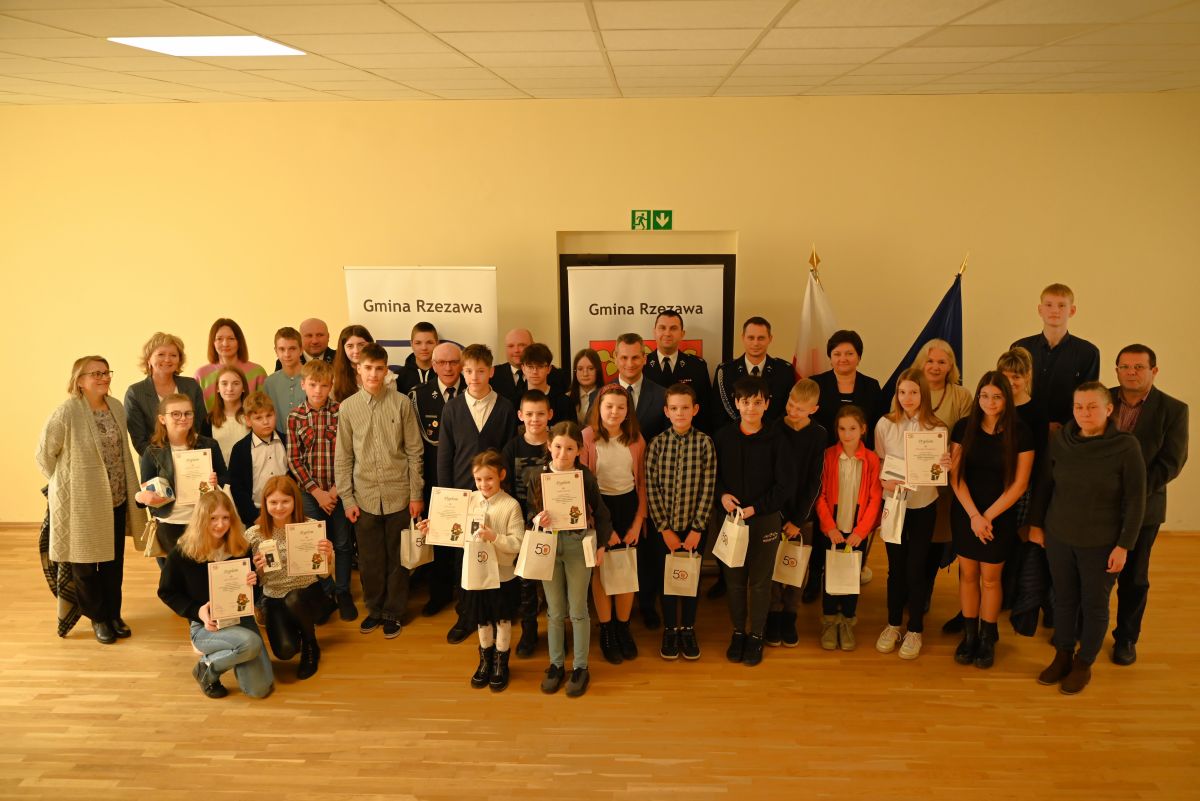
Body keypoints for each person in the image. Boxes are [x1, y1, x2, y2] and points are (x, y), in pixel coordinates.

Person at [1030, 382, 1146, 695]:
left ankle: (1084, 662)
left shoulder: (1126, 447)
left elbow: (1135, 500)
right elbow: (1044, 484)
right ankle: (1063, 654)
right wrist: (1036, 525)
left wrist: (1124, 545)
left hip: (1102, 542)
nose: (1084, 413)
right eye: (1079, 407)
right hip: (1060, 536)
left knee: (1094, 603)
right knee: (1064, 599)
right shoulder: (1061, 440)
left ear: (1109, 409)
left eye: (1092, 407)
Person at [37, 356, 141, 644]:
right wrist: (66, 483)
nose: (103, 377)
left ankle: (114, 613)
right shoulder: (67, 411)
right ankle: (98, 617)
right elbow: (44, 455)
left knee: (113, 562)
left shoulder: (116, 407)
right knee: (84, 564)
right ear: (79, 380)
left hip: (116, 497)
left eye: (106, 372)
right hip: (82, 502)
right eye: (96, 373)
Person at [334, 342, 424, 639]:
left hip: (400, 494)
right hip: (365, 496)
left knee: (398, 558)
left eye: (379, 368)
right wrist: (347, 499)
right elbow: (343, 457)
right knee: (370, 560)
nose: (373, 374)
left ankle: (393, 612)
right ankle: (374, 609)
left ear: (387, 371)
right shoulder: (348, 408)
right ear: (358, 369)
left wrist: (416, 494)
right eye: (368, 368)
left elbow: (414, 452)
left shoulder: (402, 403)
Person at [1108, 344, 1188, 666]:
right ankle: (1084, 629)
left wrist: (1132, 494)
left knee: (1134, 577)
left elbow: (1171, 463)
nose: (1131, 372)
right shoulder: (1100, 399)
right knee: (1092, 573)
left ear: (1154, 371)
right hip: (1098, 506)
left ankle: (1126, 638)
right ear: (1116, 370)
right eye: (1125, 367)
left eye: (1139, 367)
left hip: (1144, 508)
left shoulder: (1174, 410)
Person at [949, 372, 1035, 669]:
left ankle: (987, 637)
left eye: (997, 397)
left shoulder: (1021, 432)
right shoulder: (963, 427)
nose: (990, 402)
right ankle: (970, 635)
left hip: (999, 515)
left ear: (1006, 400)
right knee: (968, 575)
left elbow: (1020, 484)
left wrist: (987, 517)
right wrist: (974, 516)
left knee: (990, 578)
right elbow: (955, 477)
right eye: (984, 396)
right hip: (967, 512)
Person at [421, 450, 526, 691]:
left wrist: (494, 537)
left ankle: (501, 663)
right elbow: (453, 529)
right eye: (478, 479)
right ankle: (485, 661)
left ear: (501, 475)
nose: (483, 484)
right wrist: (432, 528)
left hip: (501, 576)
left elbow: (518, 542)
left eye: (489, 478)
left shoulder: (511, 505)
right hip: (476, 574)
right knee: (482, 618)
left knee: (502, 619)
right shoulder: (468, 500)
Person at [436, 343, 517, 644]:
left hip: (495, 496)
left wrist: (504, 490)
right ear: (462, 371)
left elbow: (508, 454)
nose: (474, 377)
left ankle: (496, 612)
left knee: (495, 554)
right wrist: (447, 498)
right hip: (463, 496)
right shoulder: (453, 408)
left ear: (491, 372)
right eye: (469, 371)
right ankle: (466, 615)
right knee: (464, 558)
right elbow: (445, 455)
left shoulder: (505, 407)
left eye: (480, 371)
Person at [157, 490, 273, 699]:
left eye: (225, 518)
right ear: (201, 519)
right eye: (213, 518)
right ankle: (209, 669)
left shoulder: (241, 548)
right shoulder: (182, 553)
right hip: (206, 626)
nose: (220, 524)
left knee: (259, 689)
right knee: (251, 644)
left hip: (241, 619)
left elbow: (251, 598)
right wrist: (197, 612)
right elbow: (167, 592)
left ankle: (213, 661)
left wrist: (255, 579)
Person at [527, 421, 614, 698]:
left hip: (577, 545)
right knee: (554, 610)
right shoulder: (537, 475)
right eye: (557, 447)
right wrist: (537, 519)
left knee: (578, 609)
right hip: (549, 547)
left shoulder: (584, 476)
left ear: (579, 450)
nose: (562, 454)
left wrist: (601, 545)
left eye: (569, 449)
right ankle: (555, 665)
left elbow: (601, 512)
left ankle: (580, 667)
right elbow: (529, 510)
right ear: (548, 446)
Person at [714, 376, 796, 667]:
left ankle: (757, 635)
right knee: (734, 580)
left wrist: (756, 508)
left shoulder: (779, 439)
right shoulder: (722, 436)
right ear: (736, 403)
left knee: (760, 582)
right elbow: (713, 476)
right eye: (745, 401)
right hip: (731, 520)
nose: (751, 407)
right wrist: (722, 496)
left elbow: (784, 486)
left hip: (764, 519)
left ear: (767, 404)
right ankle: (739, 631)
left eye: (757, 402)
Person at [873, 369, 950, 660]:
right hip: (893, 504)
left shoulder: (937, 428)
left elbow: (938, 472)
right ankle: (893, 624)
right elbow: (879, 462)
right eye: (902, 392)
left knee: (917, 568)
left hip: (923, 505)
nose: (907, 398)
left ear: (923, 394)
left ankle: (915, 629)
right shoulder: (885, 424)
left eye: (914, 392)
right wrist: (884, 481)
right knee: (896, 569)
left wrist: (945, 465)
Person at [804, 330, 884, 603]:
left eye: (849, 353)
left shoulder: (871, 386)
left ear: (859, 356)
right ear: (830, 357)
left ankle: (850, 575)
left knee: (856, 521)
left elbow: (877, 426)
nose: (843, 358)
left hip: (859, 465)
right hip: (824, 461)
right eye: (837, 353)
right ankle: (815, 578)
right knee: (822, 525)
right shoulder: (817, 384)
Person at [645, 383, 716, 660]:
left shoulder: (705, 443)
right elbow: (651, 488)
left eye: (685, 408)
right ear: (666, 411)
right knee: (667, 579)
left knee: (690, 579)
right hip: (665, 530)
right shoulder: (656, 444)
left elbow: (708, 488)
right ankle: (670, 628)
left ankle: (687, 627)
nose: (680, 413)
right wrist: (664, 529)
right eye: (674, 408)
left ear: (695, 409)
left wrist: (697, 528)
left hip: (694, 529)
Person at [581, 382, 647, 664]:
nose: (614, 412)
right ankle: (606, 629)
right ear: (599, 408)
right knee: (601, 572)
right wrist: (601, 529)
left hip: (627, 507)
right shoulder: (587, 437)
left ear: (628, 411)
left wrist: (637, 523)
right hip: (598, 508)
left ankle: (623, 627)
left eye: (621, 407)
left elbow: (642, 484)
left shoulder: (636, 439)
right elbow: (583, 485)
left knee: (625, 571)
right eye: (609, 406)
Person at [288, 359, 358, 622]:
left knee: (342, 543)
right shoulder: (295, 417)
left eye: (324, 385)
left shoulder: (342, 412)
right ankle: (326, 591)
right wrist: (317, 492)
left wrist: (336, 490)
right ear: (303, 384)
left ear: (331, 386)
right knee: (313, 545)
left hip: (339, 490)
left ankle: (342, 591)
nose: (318, 390)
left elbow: (351, 453)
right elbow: (294, 459)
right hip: (310, 493)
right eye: (313, 384)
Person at [246, 475, 334, 680]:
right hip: (273, 596)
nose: (279, 507)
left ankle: (310, 643)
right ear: (265, 503)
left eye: (285, 501)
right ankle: (297, 627)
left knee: (294, 599)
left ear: (295, 501)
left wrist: (329, 557)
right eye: (273, 502)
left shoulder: (311, 527)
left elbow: (324, 574)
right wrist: (257, 569)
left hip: (306, 593)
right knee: (285, 651)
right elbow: (251, 580)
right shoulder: (253, 534)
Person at [815, 405, 882, 652]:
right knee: (831, 575)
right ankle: (829, 621)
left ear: (863, 429)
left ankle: (847, 621)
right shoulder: (828, 456)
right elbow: (820, 495)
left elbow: (875, 499)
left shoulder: (872, 459)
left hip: (856, 532)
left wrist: (861, 531)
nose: (847, 434)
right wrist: (829, 527)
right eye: (842, 429)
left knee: (852, 577)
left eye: (852, 428)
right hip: (832, 529)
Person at [766, 379, 825, 648]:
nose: (793, 411)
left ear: (813, 409)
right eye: (791, 404)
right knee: (772, 566)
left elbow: (815, 481)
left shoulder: (818, 435)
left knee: (796, 567)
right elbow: (768, 475)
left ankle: (790, 615)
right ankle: (774, 613)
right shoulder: (774, 428)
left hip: (802, 515)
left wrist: (798, 520)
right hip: (774, 511)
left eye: (800, 409)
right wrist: (777, 514)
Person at [410, 341, 466, 621]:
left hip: (468, 478)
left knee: (468, 540)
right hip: (434, 480)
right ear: (433, 365)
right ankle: (440, 594)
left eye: (454, 362)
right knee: (441, 540)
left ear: (462, 364)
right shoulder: (418, 396)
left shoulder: (474, 391)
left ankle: (466, 594)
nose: (448, 367)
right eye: (442, 362)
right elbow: (414, 448)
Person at [135, 393, 227, 558]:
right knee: (174, 573)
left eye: (187, 413)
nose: (183, 418)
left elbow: (226, 477)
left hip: (204, 521)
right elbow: (144, 492)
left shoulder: (209, 445)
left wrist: (216, 481)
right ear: (162, 419)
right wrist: (143, 497)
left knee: (204, 570)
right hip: (170, 524)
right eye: (175, 414)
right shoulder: (152, 452)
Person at [501, 389, 552, 658]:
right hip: (524, 525)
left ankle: (556, 633)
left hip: (555, 525)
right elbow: (506, 488)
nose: (535, 419)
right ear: (520, 415)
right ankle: (529, 631)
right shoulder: (512, 448)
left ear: (550, 415)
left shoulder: (556, 444)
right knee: (527, 583)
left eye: (540, 414)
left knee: (555, 583)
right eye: (529, 414)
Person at [1011, 283, 1100, 430]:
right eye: (1049, 305)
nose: (1055, 310)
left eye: (1061, 305)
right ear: (1040, 310)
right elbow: (1011, 390)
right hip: (1023, 428)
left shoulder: (1088, 352)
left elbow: (1088, 397)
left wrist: (1065, 426)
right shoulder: (1020, 347)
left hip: (1067, 431)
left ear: (1072, 311)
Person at [123, 332, 209, 456]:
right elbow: (139, 440)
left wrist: (192, 457)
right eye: (161, 354)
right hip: (155, 462)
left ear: (179, 360)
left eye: (173, 355)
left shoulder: (191, 386)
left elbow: (202, 427)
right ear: (148, 359)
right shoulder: (135, 393)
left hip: (193, 459)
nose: (167, 359)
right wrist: (166, 461)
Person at [712, 316, 794, 430]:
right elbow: (717, 414)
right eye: (751, 338)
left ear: (770, 339)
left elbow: (788, 411)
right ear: (743, 338)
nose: (755, 343)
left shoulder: (784, 371)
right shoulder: (725, 371)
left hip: (774, 435)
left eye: (761, 338)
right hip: (734, 435)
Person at [643, 310, 713, 432]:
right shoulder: (642, 365)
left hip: (688, 438)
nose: (667, 333)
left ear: (682, 334)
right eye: (662, 328)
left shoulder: (697, 366)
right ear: (654, 332)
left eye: (673, 328)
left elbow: (706, 410)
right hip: (650, 437)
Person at [229, 392, 290, 529]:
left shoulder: (288, 442)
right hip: (256, 514)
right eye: (258, 418)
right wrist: (254, 517)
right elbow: (237, 488)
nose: (265, 422)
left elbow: (293, 476)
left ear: (275, 414)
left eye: (269, 415)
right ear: (248, 420)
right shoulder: (240, 449)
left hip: (286, 511)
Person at [194, 318, 267, 413]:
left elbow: (265, 410)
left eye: (231, 339)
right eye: (219, 339)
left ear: (239, 341)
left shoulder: (257, 372)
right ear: (213, 342)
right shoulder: (201, 374)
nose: (225, 344)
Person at [613, 333, 668, 445]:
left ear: (644, 359)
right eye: (624, 357)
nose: (630, 364)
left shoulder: (662, 396)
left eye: (635, 357)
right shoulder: (598, 396)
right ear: (615, 359)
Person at [492, 328, 567, 408]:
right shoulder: (493, 375)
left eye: (522, 345)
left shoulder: (557, 375)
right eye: (511, 346)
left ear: (533, 345)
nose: (516, 350)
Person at [263, 327, 307, 433]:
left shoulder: (313, 378)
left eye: (292, 348)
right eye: (282, 349)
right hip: (279, 440)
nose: (287, 354)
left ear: (301, 350)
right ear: (276, 351)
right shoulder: (270, 383)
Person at [207, 365, 250, 467]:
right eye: (224, 383)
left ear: (243, 388)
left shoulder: (252, 417)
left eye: (236, 383)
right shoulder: (208, 420)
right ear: (218, 388)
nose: (230, 388)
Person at [521, 343, 574, 425]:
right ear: (523, 368)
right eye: (530, 367)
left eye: (540, 366)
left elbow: (571, 431)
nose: (535, 371)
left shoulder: (564, 402)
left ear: (549, 369)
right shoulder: (515, 400)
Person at [332, 324, 381, 403]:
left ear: (371, 345)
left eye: (361, 345)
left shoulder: (387, 377)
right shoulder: (334, 378)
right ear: (343, 349)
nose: (356, 351)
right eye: (350, 346)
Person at [397, 321, 439, 394]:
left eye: (429, 342)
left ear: (437, 343)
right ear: (411, 344)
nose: (424, 348)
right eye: (418, 343)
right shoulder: (399, 377)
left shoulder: (445, 374)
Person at [567, 348, 602, 426]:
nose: (585, 374)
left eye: (590, 368)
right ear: (575, 372)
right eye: (580, 369)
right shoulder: (567, 397)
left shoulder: (606, 396)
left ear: (598, 370)